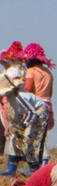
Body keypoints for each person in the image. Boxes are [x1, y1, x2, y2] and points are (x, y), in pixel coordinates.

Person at [22, 43, 52, 169]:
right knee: (42, 135)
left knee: (31, 136)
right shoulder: (48, 73)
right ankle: (43, 162)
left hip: (35, 106)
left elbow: (28, 90)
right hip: (48, 104)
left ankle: (33, 166)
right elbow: (50, 93)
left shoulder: (31, 72)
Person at [0, 42, 26, 176]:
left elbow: (9, 87)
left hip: (14, 103)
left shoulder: (12, 71)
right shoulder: (23, 69)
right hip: (21, 104)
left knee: (13, 134)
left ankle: (12, 167)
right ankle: (13, 166)